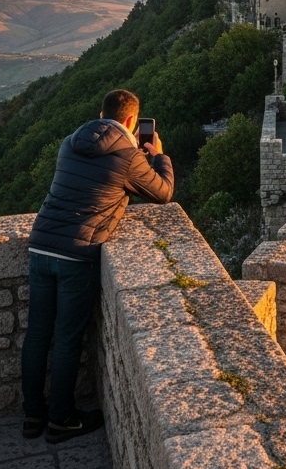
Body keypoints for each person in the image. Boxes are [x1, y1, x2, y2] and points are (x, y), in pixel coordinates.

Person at [21, 89, 174, 444]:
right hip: (78, 254)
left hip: (41, 245)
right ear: (133, 122)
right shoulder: (128, 156)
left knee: (37, 334)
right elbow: (163, 193)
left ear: (100, 113)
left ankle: (33, 416)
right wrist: (159, 155)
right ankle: (61, 420)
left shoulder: (68, 142)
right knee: (67, 338)